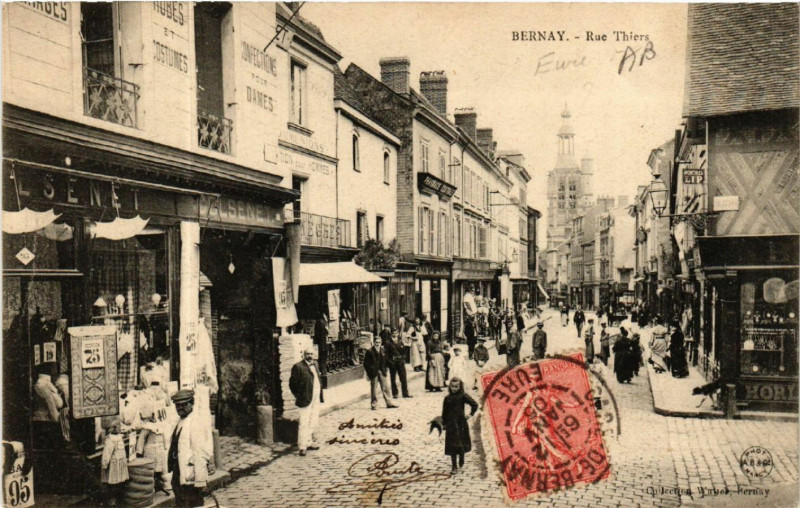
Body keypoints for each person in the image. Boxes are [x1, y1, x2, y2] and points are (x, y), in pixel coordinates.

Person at [167, 390, 211, 508]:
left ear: (192, 404)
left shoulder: (195, 422)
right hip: (179, 471)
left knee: (193, 503)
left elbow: (200, 452)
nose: (180, 408)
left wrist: (201, 481)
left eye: (184, 405)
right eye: (177, 405)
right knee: (181, 502)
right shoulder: (180, 421)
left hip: (190, 474)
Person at [289, 349, 324, 455]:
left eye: (311, 354)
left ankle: (309, 442)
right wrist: (299, 396)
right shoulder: (298, 367)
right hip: (305, 399)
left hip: (315, 398)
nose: (310, 356)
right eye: (307, 354)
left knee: (313, 421)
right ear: (304, 355)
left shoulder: (316, 364)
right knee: (304, 422)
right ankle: (302, 446)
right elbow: (292, 384)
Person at [441, 378, 478, 475]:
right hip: (451, 424)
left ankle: (461, 455)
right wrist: (444, 424)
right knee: (452, 445)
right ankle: (454, 466)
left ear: (460, 387)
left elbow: (474, 404)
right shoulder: (447, 398)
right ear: (449, 387)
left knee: (461, 442)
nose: (454, 388)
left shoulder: (463, 396)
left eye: (456, 386)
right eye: (452, 386)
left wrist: (470, 415)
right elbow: (444, 412)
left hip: (461, 423)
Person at [363, 336, 399, 410]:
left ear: (381, 343)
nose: (378, 344)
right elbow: (366, 363)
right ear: (373, 342)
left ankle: (389, 402)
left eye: (379, 342)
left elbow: (385, 360)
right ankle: (374, 404)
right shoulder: (369, 351)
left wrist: (387, 367)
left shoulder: (382, 350)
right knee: (374, 389)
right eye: (376, 342)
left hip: (382, 371)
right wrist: (371, 371)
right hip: (374, 372)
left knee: (386, 387)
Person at [385, 327, 412, 399]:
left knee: (403, 377)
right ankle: (395, 393)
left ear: (397, 333)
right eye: (393, 333)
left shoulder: (400, 342)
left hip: (400, 362)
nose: (394, 334)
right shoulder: (388, 343)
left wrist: (402, 359)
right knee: (393, 379)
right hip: (393, 363)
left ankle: (405, 393)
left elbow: (404, 352)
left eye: (396, 333)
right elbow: (386, 355)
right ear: (391, 334)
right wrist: (390, 362)